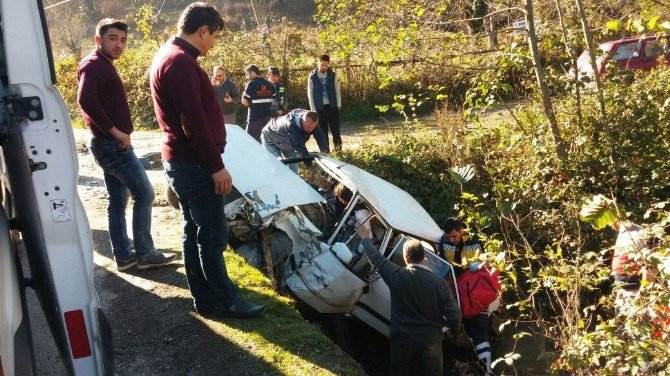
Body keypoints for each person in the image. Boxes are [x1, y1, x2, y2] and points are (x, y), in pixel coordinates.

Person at [149, 2, 265, 319]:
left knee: (193, 233)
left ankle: (205, 299)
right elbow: (193, 123)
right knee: (213, 236)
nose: (213, 42)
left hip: (182, 160)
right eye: (213, 35)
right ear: (202, 31)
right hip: (195, 163)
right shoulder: (181, 63)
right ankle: (225, 300)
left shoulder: (168, 55)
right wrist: (216, 167)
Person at [77, 18, 175, 271]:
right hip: (111, 144)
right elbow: (86, 99)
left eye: (123, 40)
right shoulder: (94, 64)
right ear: (98, 40)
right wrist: (116, 132)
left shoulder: (102, 64)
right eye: (113, 38)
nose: (119, 44)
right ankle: (144, 253)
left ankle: (124, 256)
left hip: (107, 143)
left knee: (117, 201)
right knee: (145, 193)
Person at [355, 223, 461, 376]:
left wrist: (365, 238)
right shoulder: (441, 284)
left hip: (402, 339)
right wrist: (454, 331)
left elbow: (376, 259)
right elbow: (454, 313)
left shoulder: (397, 275)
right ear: (423, 257)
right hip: (430, 341)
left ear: (406, 258)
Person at [439, 218, 493, 376]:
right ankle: (465, 365)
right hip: (456, 293)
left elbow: (493, 259)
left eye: (454, 236)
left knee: (480, 331)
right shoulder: (444, 241)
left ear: (461, 230)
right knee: (460, 330)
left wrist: (481, 264)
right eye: (449, 237)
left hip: (475, 291)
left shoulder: (476, 239)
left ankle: (487, 371)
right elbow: (442, 263)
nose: (451, 240)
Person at [260, 109, 328, 173]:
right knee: (278, 166)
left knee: (293, 169)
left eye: (312, 128)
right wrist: (310, 167)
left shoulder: (311, 121)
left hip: (286, 142)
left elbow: (320, 137)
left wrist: (324, 151)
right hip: (270, 138)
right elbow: (300, 149)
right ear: (301, 120)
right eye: (308, 127)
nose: (310, 130)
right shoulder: (291, 126)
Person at [307, 54, 342, 150]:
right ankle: (326, 153)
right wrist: (313, 109)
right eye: (322, 65)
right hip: (319, 109)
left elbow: (337, 89)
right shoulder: (312, 77)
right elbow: (310, 93)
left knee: (336, 132)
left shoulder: (332, 75)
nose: (324, 67)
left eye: (326, 65)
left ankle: (339, 152)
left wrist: (338, 105)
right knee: (323, 133)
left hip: (332, 107)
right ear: (318, 63)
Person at [241, 64, 274, 142]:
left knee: (251, 142)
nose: (246, 77)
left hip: (254, 119)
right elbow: (273, 101)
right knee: (264, 141)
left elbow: (244, 101)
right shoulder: (270, 84)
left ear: (253, 73)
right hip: (266, 118)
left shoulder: (251, 84)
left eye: (247, 74)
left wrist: (253, 105)